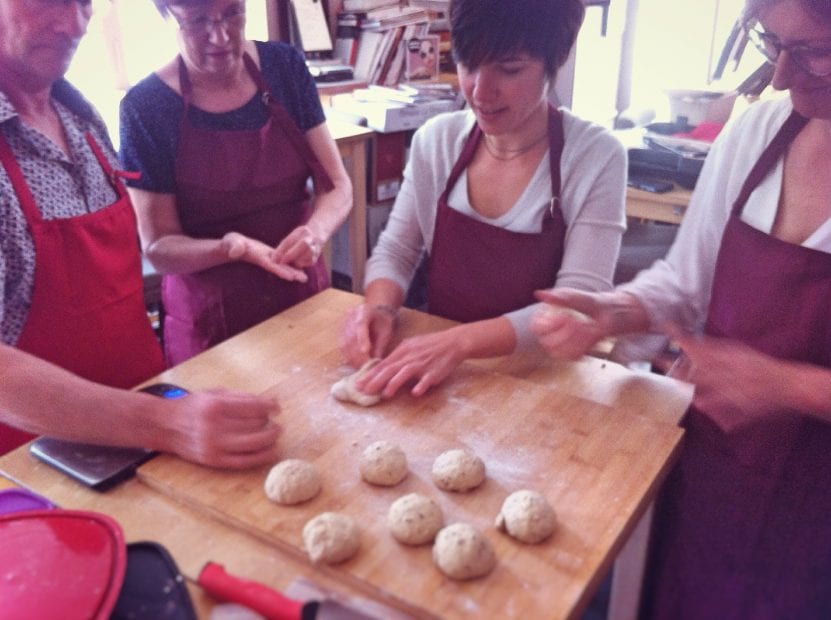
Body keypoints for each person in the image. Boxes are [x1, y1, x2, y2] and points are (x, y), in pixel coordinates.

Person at [531, 0, 831, 616]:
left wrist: (791, 387)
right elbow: (686, 283)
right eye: (771, 44)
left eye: (814, 53)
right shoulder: (757, 134)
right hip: (716, 469)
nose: (778, 76)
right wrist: (615, 311)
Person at [0, 0, 280, 469]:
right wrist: (164, 423)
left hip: (146, 433)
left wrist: (168, 418)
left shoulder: (81, 118)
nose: (74, 25)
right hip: (32, 473)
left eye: (84, 2)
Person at [339, 0, 626, 398]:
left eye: (509, 69)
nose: (480, 90)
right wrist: (380, 307)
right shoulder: (436, 141)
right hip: (438, 374)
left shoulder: (595, 155)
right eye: (469, 64)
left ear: (554, 61)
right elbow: (396, 250)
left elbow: (577, 303)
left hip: (541, 378)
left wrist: (460, 343)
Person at [119, 0, 352, 365]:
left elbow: (336, 185)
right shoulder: (146, 108)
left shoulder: (283, 67)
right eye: (197, 21)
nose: (220, 35)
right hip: (212, 322)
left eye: (232, 13)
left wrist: (316, 231)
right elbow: (159, 247)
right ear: (167, 16)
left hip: (300, 294)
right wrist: (231, 248)